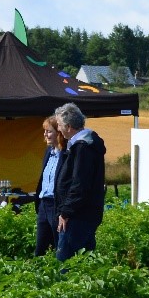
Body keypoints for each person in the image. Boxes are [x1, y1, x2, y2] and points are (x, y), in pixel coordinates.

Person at [54, 102, 106, 259]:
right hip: (85, 213)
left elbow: (79, 184)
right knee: (84, 259)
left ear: (69, 126)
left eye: (59, 125)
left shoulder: (83, 147)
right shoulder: (84, 144)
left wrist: (66, 212)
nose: (58, 129)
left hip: (78, 215)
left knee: (67, 263)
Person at [33, 116, 65, 257]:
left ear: (58, 133)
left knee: (58, 245)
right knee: (41, 247)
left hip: (55, 204)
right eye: (44, 131)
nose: (45, 134)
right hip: (43, 204)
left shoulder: (65, 155)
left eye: (49, 131)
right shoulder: (48, 152)